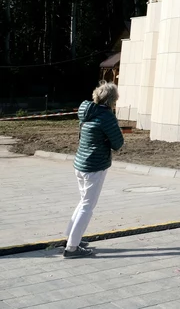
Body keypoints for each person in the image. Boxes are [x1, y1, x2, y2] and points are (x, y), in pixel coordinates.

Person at [63, 82, 124, 258]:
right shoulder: (106, 117)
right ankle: (72, 248)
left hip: (80, 163)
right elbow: (118, 143)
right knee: (88, 206)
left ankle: (71, 236)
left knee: (83, 201)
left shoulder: (86, 110)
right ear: (113, 100)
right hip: (95, 166)